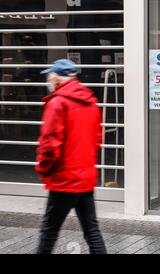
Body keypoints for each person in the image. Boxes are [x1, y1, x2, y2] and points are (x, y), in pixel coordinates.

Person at [35, 59, 107, 254]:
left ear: (58, 78)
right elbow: (97, 139)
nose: (49, 79)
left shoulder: (57, 102)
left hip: (64, 180)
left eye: (51, 75)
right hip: (85, 177)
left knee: (48, 232)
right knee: (92, 231)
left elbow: (50, 143)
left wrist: (43, 169)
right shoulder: (90, 100)